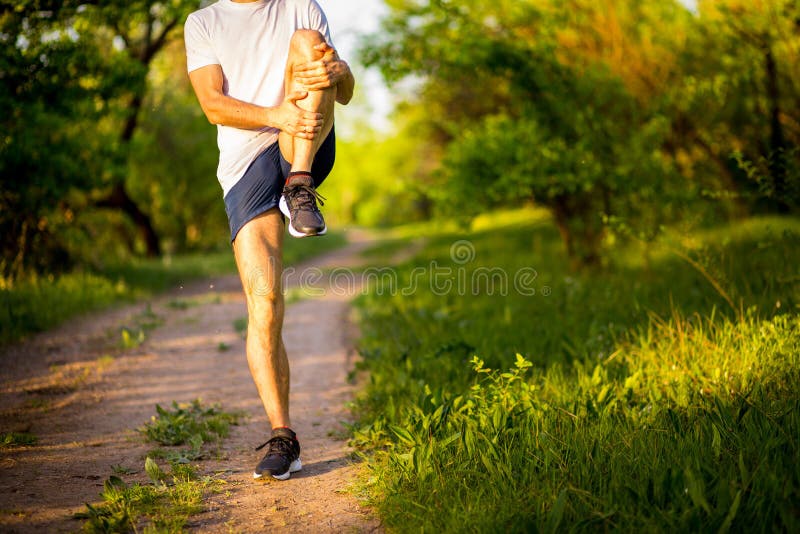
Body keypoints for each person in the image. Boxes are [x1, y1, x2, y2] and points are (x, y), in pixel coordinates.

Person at [183, 0, 354, 480]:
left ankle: (300, 186)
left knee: (305, 44)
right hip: (246, 165)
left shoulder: (302, 5)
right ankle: (284, 437)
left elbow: (344, 95)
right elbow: (213, 105)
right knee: (265, 302)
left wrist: (340, 71)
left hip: (302, 139)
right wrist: (276, 113)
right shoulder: (204, 22)